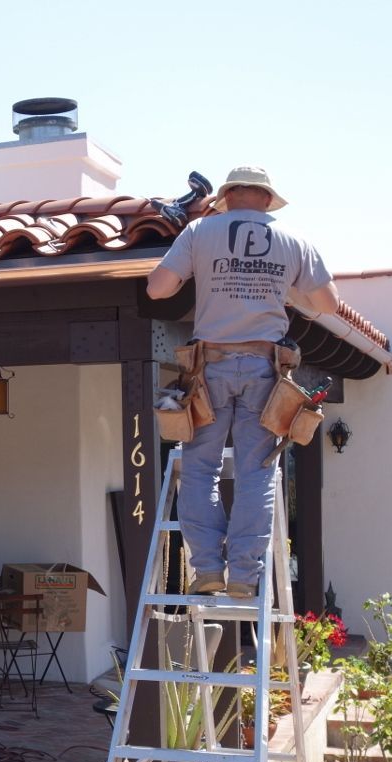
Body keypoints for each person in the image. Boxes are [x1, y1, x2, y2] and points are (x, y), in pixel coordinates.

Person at [147, 166, 340, 599]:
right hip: (264, 370)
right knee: (256, 473)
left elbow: (158, 289)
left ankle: (209, 569)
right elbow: (329, 303)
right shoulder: (294, 239)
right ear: (268, 199)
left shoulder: (200, 230)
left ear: (227, 196)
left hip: (208, 368)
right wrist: (283, 288)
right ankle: (244, 577)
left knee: (199, 469)